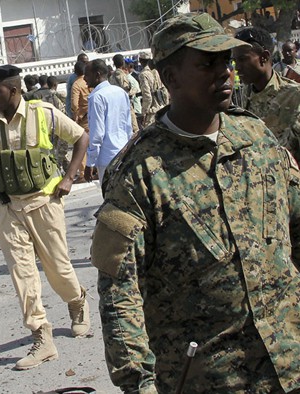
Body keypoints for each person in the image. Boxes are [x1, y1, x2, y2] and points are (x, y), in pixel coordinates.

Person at [92, 13, 300, 393]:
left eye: (226, 61)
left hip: (291, 362)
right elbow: (119, 293)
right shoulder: (138, 173)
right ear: (171, 79)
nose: (225, 72)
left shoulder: (257, 138)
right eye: (207, 63)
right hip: (213, 380)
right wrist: (139, 383)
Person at [0, 65, 91, 370]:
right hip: (9, 208)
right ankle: (41, 337)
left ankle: (77, 301)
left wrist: (70, 177)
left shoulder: (43, 113)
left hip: (44, 202)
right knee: (22, 274)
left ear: (14, 90)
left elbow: (81, 137)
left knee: (58, 268)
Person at [233, 27, 300, 162]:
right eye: (235, 60)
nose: (237, 67)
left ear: (264, 57)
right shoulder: (242, 95)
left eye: (242, 59)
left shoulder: (293, 97)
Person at [84, 59, 134, 181]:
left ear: (97, 75)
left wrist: (90, 163)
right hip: (124, 153)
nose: (84, 78)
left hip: (107, 158)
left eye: (87, 74)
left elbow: (97, 134)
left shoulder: (97, 97)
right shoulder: (120, 92)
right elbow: (128, 126)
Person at [108, 54, 140, 134]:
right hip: (126, 105)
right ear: (123, 62)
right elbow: (126, 90)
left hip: (116, 106)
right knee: (134, 129)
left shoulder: (111, 77)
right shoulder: (122, 75)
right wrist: (135, 90)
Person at [70, 60, 91, 180]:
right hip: (94, 115)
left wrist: (76, 116)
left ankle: (83, 173)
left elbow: (74, 104)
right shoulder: (90, 81)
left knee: (81, 145)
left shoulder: (76, 84)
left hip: (83, 118)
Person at [138, 51, 168, 127]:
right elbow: (164, 89)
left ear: (140, 61)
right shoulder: (155, 72)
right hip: (161, 108)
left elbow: (147, 96)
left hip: (152, 111)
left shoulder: (143, 74)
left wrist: (144, 113)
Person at [66, 53, 89, 118]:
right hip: (80, 115)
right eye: (84, 62)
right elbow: (72, 100)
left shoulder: (90, 75)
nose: (86, 64)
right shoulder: (73, 79)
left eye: (87, 62)